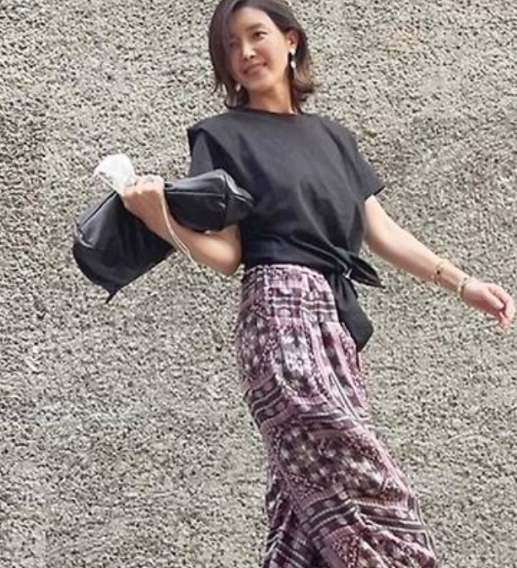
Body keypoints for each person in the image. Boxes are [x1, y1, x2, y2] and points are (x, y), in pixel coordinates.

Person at [120, 0, 515, 566]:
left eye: (256, 35)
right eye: (230, 45)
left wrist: (462, 283)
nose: (245, 52)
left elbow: (381, 231)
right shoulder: (220, 136)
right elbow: (227, 255)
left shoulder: (334, 139)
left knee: (302, 511)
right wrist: (158, 216)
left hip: (337, 328)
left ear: (291, 40)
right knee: (363, 483)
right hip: (278, 320)